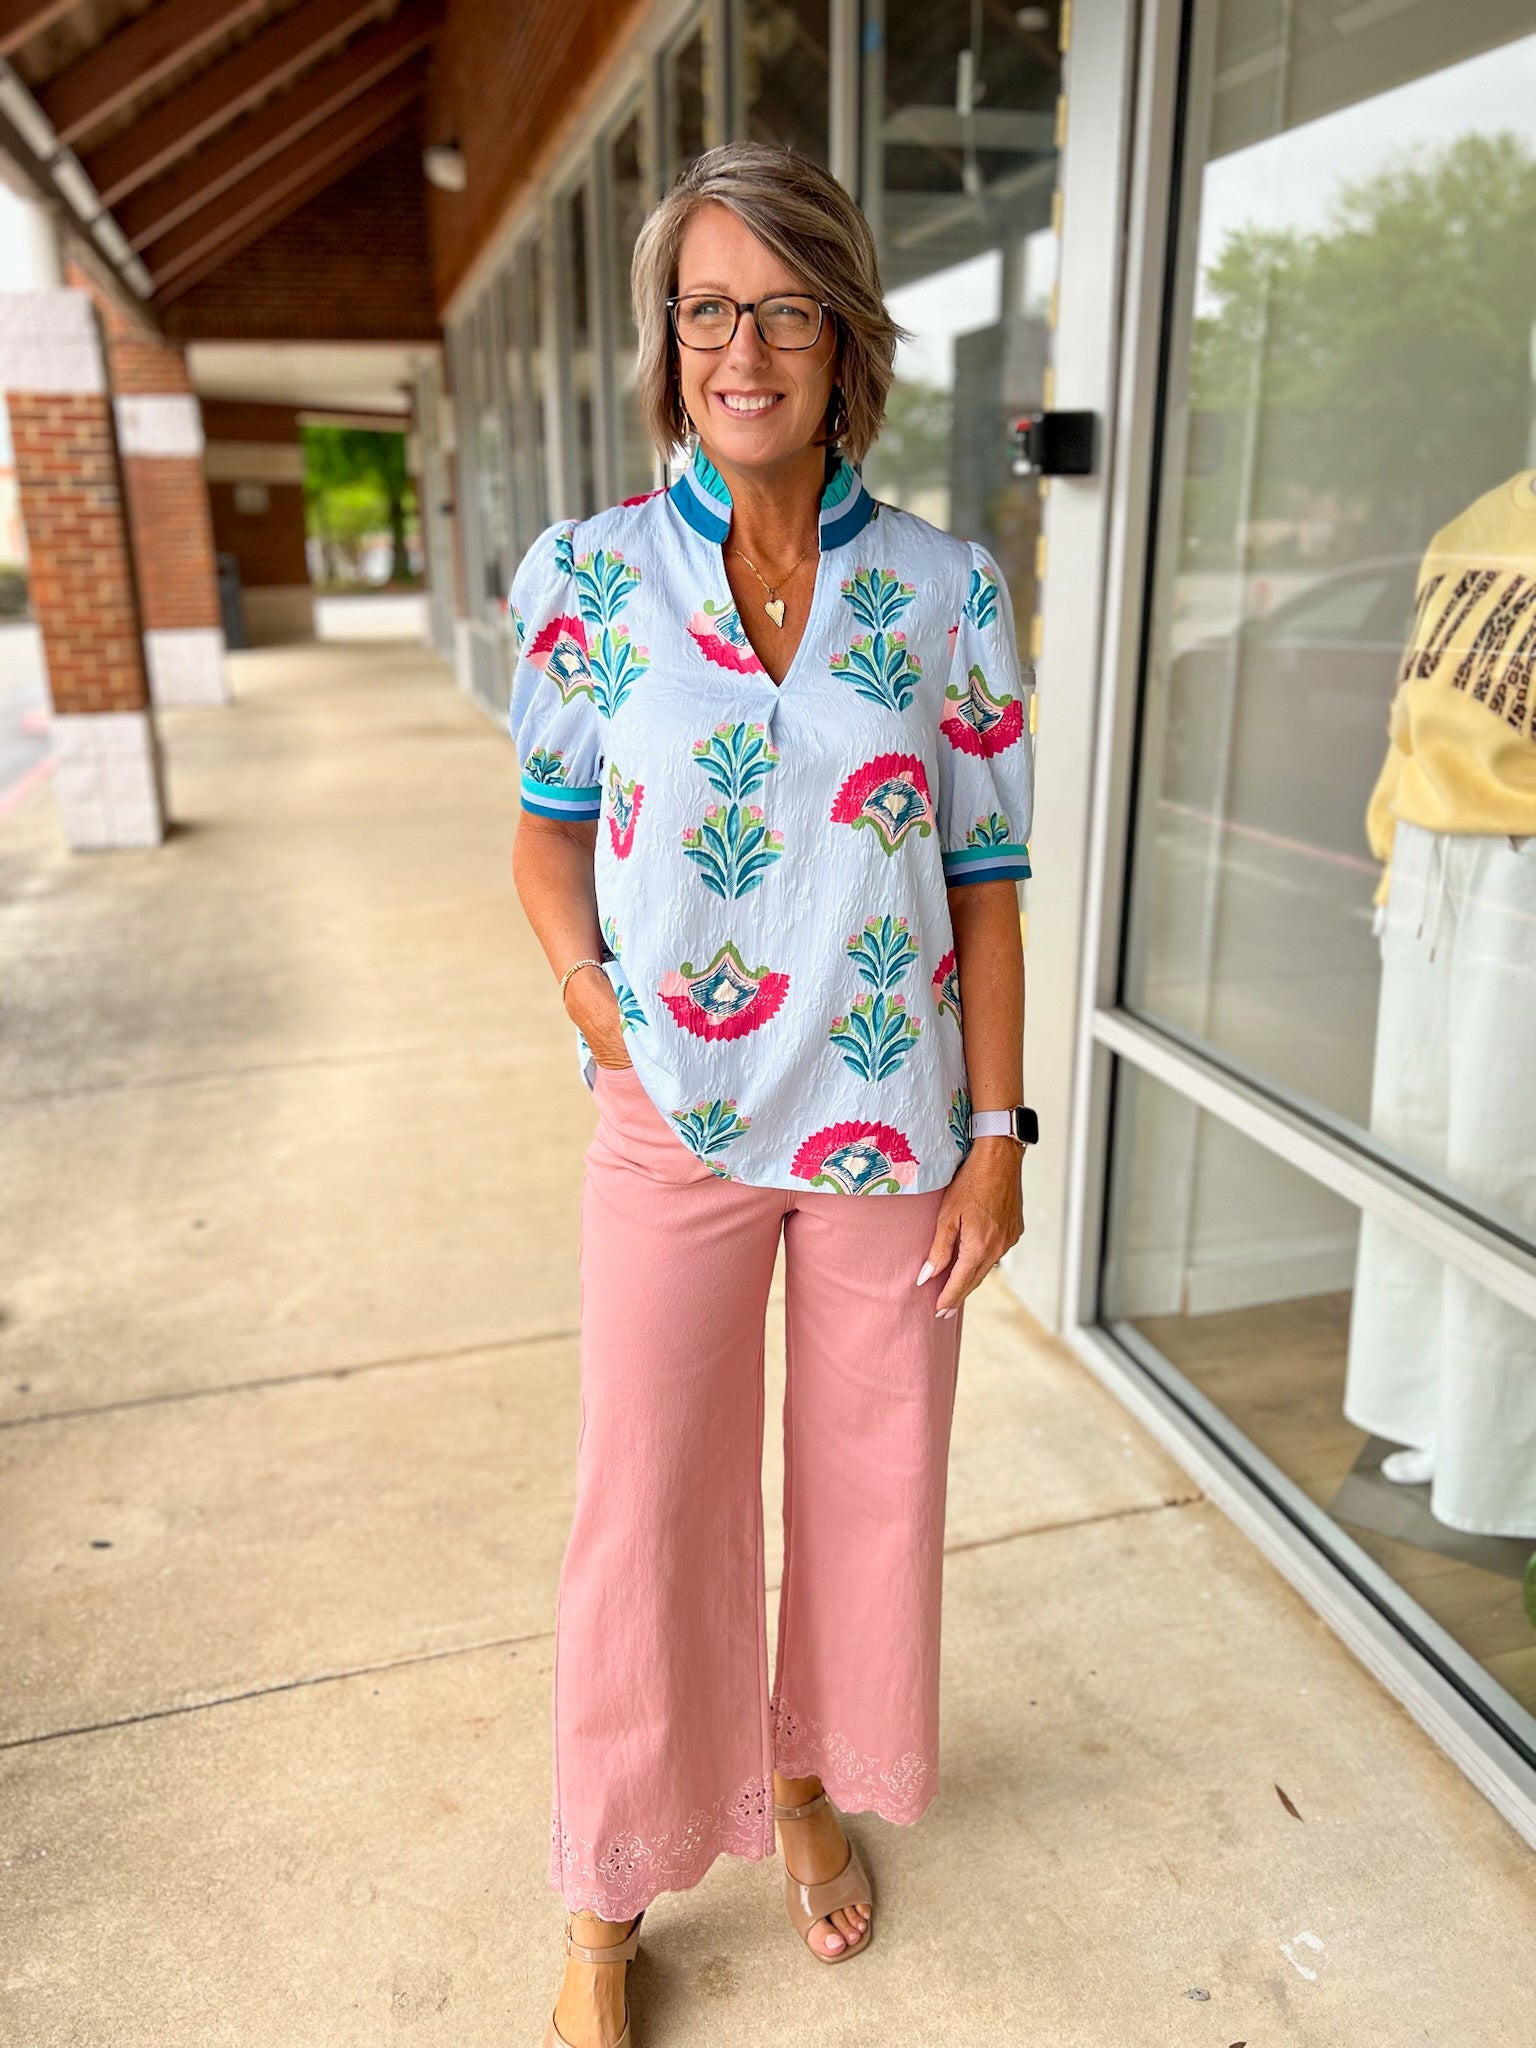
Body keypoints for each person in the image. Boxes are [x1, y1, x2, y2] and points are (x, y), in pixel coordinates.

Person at [509, 141, 1038, 2048]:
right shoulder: (585, 580)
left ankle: (797, 1780)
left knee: (871, 1489)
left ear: (843, 338)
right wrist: (596, 1004)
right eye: (707, 306)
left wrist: (998, 1135)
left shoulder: (946, 593)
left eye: (785, 303)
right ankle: (608, 1880)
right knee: (643, 1502)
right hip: (671, 1117)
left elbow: (984, 887)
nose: (745, 342)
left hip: (893, 1126)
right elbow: (546, 844)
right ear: (670, 345)